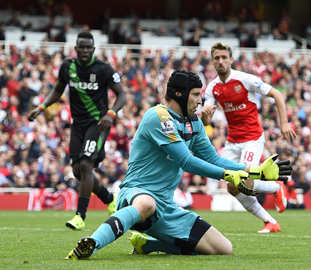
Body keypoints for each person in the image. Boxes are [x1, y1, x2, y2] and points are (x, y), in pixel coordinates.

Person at [65, 70, 292, 259]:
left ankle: (149, 245)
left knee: (223, 249)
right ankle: (91, 243)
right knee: (146, 204)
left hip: (166, 206)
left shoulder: (194, 122)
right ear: (179, 94)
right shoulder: (159, 117)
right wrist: (227, 175)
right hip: (136, 193)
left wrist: (253, 172)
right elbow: (186, 161)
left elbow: (212, 158)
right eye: (195, 95)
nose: (200, 101)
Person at [28, 32, 126, 230]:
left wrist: (111, 114)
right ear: (76, 47)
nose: (85, 51)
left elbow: (121, 94)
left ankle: (80, 216)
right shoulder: (68, 67)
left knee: (87, 165)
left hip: (98, 124)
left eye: (88, 47)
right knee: (77, 171)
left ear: (93, 49)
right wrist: (41, 108)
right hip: (78, 124)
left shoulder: (103, 69)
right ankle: (109, 198)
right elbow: (57, 90)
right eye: (81, 47)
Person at [201, 42, 297, 233]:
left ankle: (276, 186)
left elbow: (277, 94)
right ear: (212, 61)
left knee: (247, 181)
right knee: (231, 187)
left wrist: (284, 123)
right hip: (232, 141)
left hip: (252, 139)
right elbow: (206, 121)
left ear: (231, 59)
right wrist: (205, 114)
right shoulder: (212, 88)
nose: (220, 61)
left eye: (223, 57)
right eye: (216, 58)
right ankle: (270, 221)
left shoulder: (245, 79)